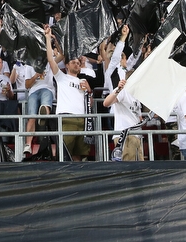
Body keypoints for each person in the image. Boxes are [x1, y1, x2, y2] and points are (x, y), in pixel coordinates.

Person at [44, 25, 92, 161]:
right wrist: (48, 39)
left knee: (79, 156)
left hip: (83, 119)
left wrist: (89, 91)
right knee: (65, 154)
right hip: (66, 117)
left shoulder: (84, 81)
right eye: (73, 62)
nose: (76, 64)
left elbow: (91, 103)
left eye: (78, 62)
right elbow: (50, 60)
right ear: (67, 65)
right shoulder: (61, 77)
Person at [102, 76, 143, 161]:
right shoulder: (122, 91)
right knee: (129, 167)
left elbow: (139, 117)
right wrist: (118, 90)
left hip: (136, 135)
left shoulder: (137, 97)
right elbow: (106, 103)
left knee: (139, 168)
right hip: (125, 135)